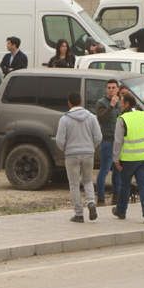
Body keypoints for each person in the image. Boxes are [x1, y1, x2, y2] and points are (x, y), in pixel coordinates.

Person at [55, 92, 102, 222]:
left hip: (71, 155)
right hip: (88, 153)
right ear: (81, 101)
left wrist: (65, 148)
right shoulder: (91, 117)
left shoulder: (64, 119)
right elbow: (98, 137)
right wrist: (91, 147)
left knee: (74, 184)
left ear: (69, 103)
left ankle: (79, 214)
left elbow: (59, 140)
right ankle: (91, 202)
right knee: (87, 180)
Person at [112, 94, 144, 224]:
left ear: (127, 104)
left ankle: (121, 211)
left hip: (129, 158)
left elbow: (118, 141)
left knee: (125, 185)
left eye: (121, 103)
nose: (120, 105)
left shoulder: (122, 119)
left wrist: (116, 159)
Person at [95, 79, 121, 205]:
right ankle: (100, 197)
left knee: (118, 170)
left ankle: (116, 197)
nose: (111, 90)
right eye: (109, 87)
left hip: (119, 142)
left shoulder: (120, 103)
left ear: (118, 89)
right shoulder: (101, 102)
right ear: (106, 89)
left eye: (113, 87)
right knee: (104, 170)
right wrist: (110, 106)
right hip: (107, 140)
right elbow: (101, 118)